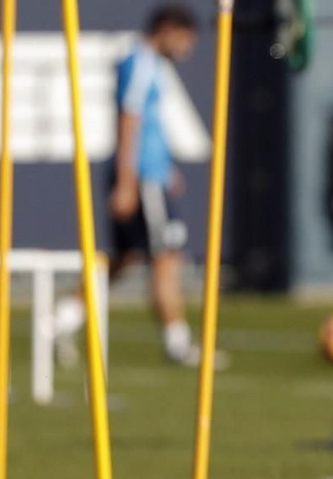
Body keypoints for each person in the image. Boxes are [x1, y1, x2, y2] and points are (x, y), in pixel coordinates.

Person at [107, 4, 209, 366]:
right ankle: (178, 343)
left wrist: (167, 167)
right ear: (167, 29)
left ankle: (60, 320)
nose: (187, 50)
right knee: (167, 259)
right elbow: (130, 120)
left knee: (128, 258)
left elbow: (149, 124)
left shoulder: (150, 64)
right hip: (142, 177)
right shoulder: (140, 61)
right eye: (185, 40)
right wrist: (126, 181)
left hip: (153, 173)